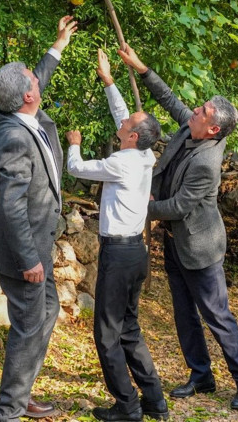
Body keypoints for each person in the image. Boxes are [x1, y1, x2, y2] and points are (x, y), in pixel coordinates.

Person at [117, 44, 238, 410]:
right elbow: (168, 99)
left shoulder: (207, 162)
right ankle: (201, 376)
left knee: (217, 315)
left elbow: (179, 206)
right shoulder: (191, 127)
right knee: (184, 312)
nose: (194, 110)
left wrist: (140, 207)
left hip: (200, 247)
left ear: (213, 128)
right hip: (176, 242)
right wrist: (141, 67)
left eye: (202, 111)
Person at [0, 15, 78, 422]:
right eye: (34, 82)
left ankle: (20, 395)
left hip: (41, 243)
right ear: (27, 97)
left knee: (49, 310)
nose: (39, 83)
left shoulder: (17, 114)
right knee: (27, 327)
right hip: (26, 255)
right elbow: (11, 205)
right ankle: (8, 412)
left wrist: (57, 46)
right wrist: (29, 261)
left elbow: (32, 78)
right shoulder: (14, 137)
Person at [65, 49, 167, 422]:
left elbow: (75, 167)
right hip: (135, 254)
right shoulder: (144, 155)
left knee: (107, 334)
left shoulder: (121, 163)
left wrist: (73, 140)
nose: (120, 124)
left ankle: (127, 406)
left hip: (118, 256)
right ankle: (155, 401)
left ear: (133, 136)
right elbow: (123, 115)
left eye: (127, 126)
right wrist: (109, 81)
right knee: (129, 329)